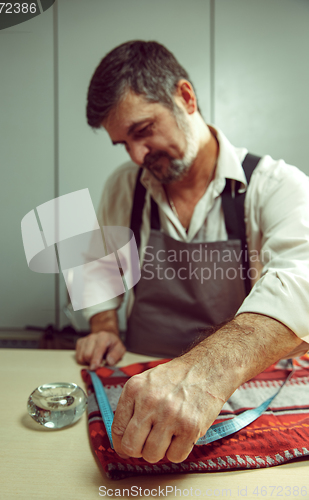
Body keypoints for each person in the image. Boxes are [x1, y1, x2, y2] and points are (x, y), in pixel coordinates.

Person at [76, 40, 309, 464]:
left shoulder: (276, 186)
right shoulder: (124, 188)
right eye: (123, 144)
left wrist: (201, 375)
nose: (136, 156)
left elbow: (301, 284)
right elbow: (100, 269)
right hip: (138, 375)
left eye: (143, 131)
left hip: (234, 389)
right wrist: (105, 325)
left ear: (185, 97)